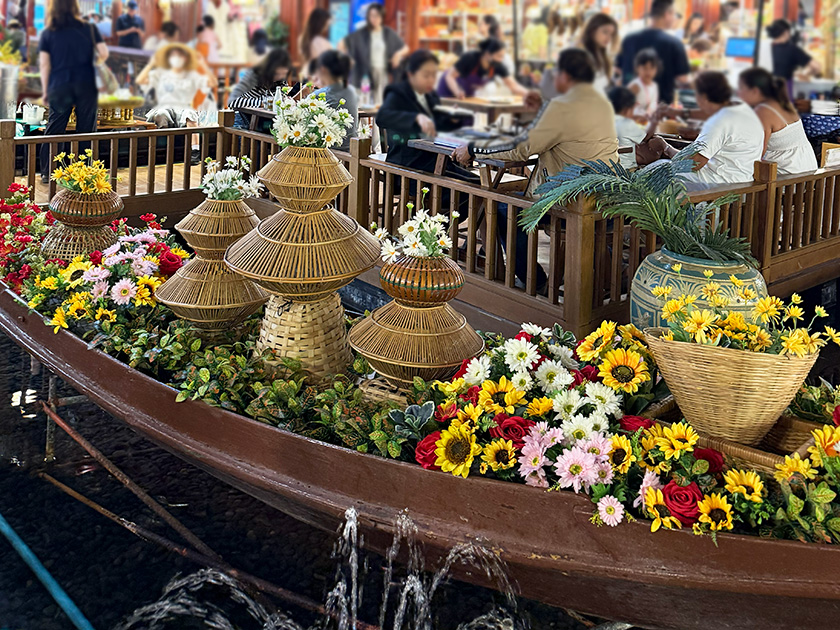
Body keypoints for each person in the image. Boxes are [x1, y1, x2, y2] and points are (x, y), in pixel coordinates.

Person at [452, 48, 618, 289]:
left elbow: (521, 149)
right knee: (508, 202)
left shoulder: (564, 106)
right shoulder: (601, 102)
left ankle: (534, 282)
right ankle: (603, 281)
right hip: (604, 199)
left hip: (569, 202)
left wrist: (474, 148)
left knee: (501, 209)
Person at [647, 71, 764, 191]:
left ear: (703, 97)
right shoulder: (743, 110)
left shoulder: (719, 121)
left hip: (718, 187)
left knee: (658, 170)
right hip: (742, 183)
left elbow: (693, 164)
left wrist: (665, 147)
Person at [376, 50, 477, 182]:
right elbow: (382, 117)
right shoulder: (397, 94)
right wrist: (415, 118)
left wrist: (452, 119)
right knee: (468, 191)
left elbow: (438, 125)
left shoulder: (430, 95)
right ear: (411, 74)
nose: (431, 80)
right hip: (408, 168)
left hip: (436, 164)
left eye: (433, 75)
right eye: (426, 75)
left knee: (477, 184)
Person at [38, 0, 109, 182]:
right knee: (86, 129)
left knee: (55, 128)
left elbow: (45, 64)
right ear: (76, 8)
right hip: (86, 83)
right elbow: (104, 53)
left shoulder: (49, 32)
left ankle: (48, 173)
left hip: (60, 84)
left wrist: (46, 90)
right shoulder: (89, 28)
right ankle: (84, 173)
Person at [137, 43, 214, 164]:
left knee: (190, 114)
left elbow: (212, 82)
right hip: (165, 105)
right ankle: (168, 151)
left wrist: (203, 64)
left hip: (184, 107)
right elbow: (140, 80)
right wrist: (151, 64)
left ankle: (194, 152)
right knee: (161, 113)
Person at [738, 67, 817, 175]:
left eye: (741, 88)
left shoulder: (763, 110)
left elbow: (758, 152)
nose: (738, 93)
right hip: (807, 169)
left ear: (755, 91)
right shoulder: (783, 102)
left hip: (788, 176)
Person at [616, 0, 689, 105]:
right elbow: (683, 78)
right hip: (661, 108)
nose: (675, 18)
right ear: (667, 14)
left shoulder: (628, 38)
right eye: (674, 14)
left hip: (627, 107)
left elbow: (618, 69)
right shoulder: (674, 43)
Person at [341, 3, 408, 104]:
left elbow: (405, 48)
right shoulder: (361, 33)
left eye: (377, 16)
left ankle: (378, 120)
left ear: (382, 16)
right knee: (363, 101)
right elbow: (342, 44)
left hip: (382, 71)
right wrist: (348, 58)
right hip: (363, 72)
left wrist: (397, 54)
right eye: (371, 16)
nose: (374, 19)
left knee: (380, 102)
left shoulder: (387, 32)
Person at [437, 38, 530, 99]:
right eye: (498, 56)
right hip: (448, 90)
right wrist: (457, 92)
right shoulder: (470, 58)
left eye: (502, 56)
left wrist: (530, 94)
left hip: (467, 95)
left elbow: (513, 86)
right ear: (487, 54)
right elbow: (450, 76)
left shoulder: (498, 65)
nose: (501, 60)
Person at [229, 48, 292, 129]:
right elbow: (232, 101)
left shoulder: (281, 82)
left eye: (284, 74)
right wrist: (262, 103)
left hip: (264, 123)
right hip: (243, 122)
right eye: (277, 73)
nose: (280, 77)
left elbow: (278, 103)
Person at [313, 51, 357, 152]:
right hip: (350, 152)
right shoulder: (351, 90)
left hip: (329, 155)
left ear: (323, 69)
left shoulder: (319, 95)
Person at [766, 19, 820, 97]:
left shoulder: (766, 47)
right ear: (785, 32)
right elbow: (816, 67)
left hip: (766, 93)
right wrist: (806, 74)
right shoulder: (792, 49)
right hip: (784, 94)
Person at [609, 87, 647, 170]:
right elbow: (645, 138)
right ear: (627, 109)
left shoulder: (606, 121)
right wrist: (654, 122)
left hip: (609, 168)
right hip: (627, 169)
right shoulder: (627, 123)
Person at [579, 13, 618, 93]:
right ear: (592, 30)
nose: (608, 38)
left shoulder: (601, 55)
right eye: (605, 32)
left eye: (611, 34)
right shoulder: (582, 55)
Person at [628, 48, 660, 119]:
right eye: (645, 68)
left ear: (656, 69)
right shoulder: (635, 86)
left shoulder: (654, 86)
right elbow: (625, 107)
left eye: (652, 68)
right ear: (637, 68)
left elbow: (653, 105)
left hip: (646, 121)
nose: (648, 72)